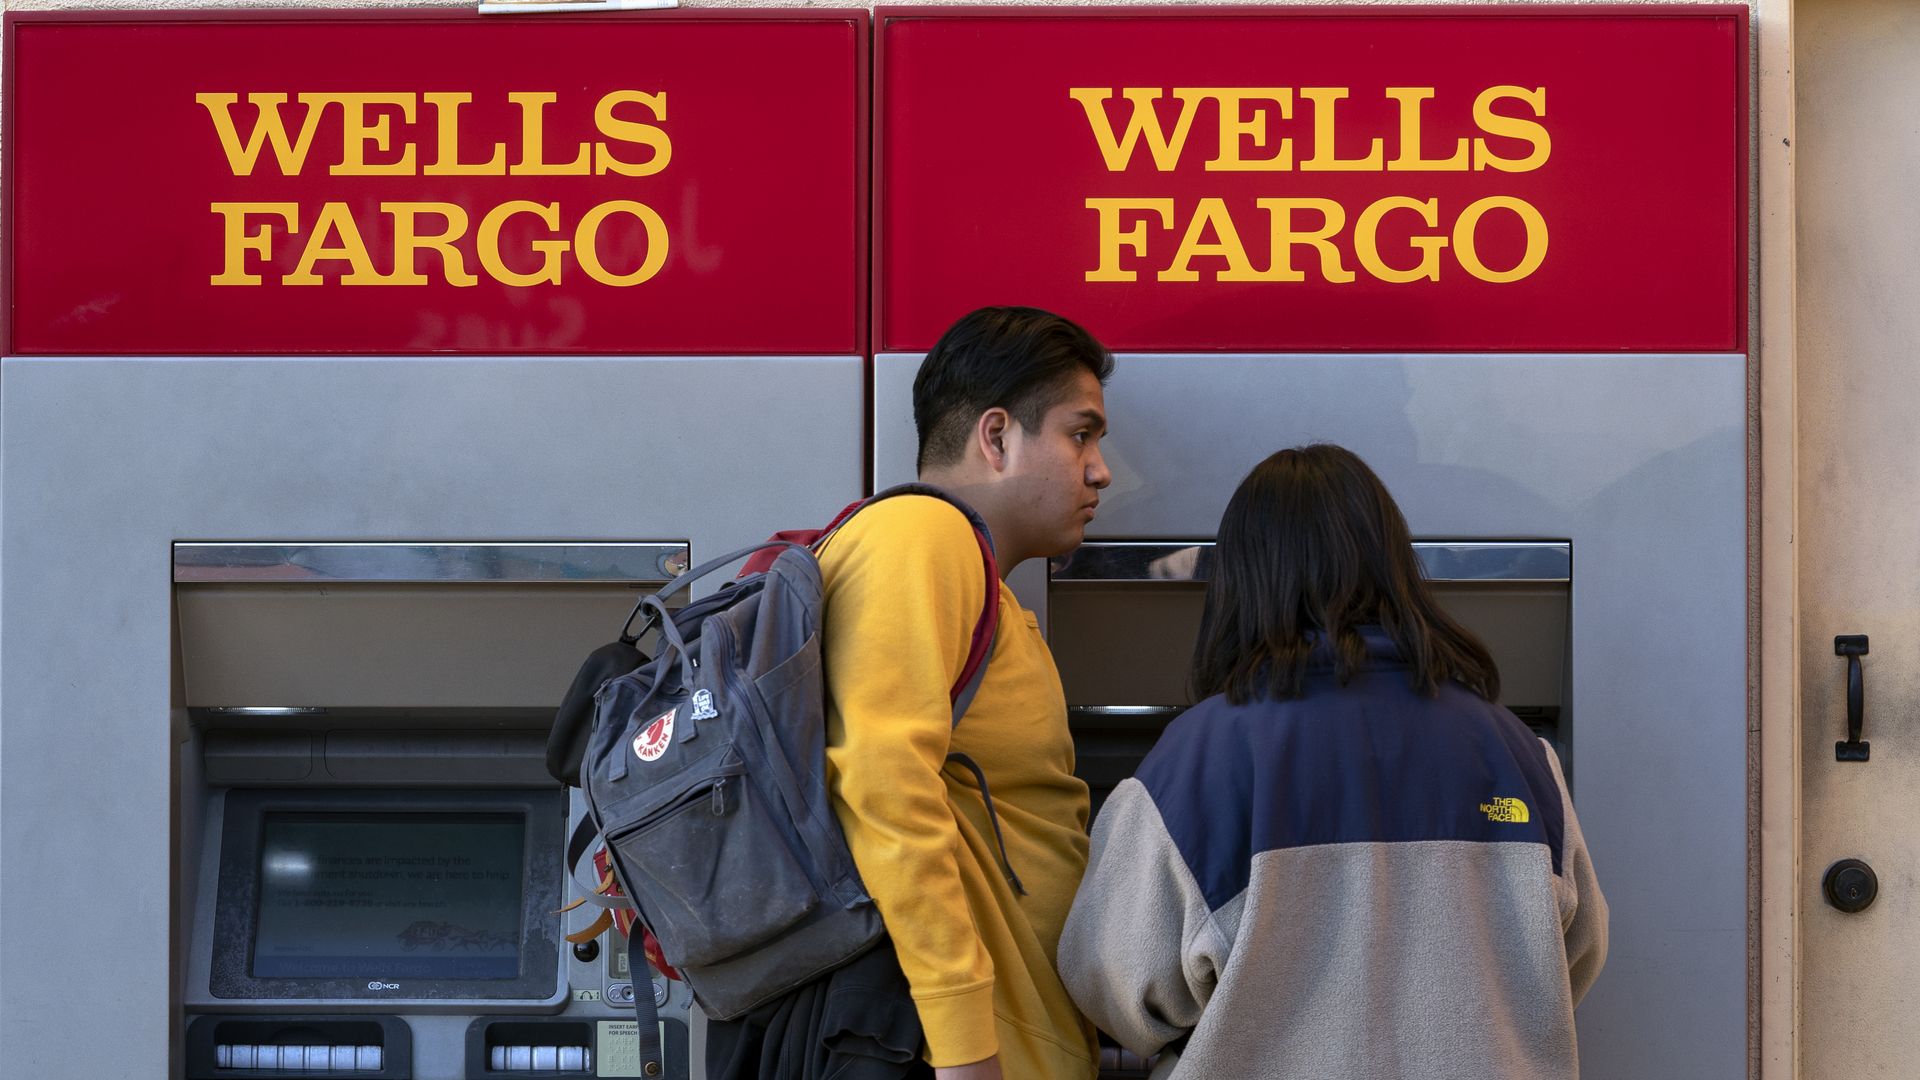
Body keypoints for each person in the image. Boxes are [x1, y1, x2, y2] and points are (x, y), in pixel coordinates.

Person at [1058, 444, 1608, 1080]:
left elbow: (1114, 990)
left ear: (1244, 581)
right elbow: (1573, 959)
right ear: (1395, 568)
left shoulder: (1199, 761)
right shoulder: (1520, 752)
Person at [817, 306, 1113, 1080]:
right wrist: (965, 1051)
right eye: (1081, 434)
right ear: (996, 437)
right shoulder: (920, 538)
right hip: (954, 1056)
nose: (1100, 469)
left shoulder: (985, 586)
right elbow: (884, 782)